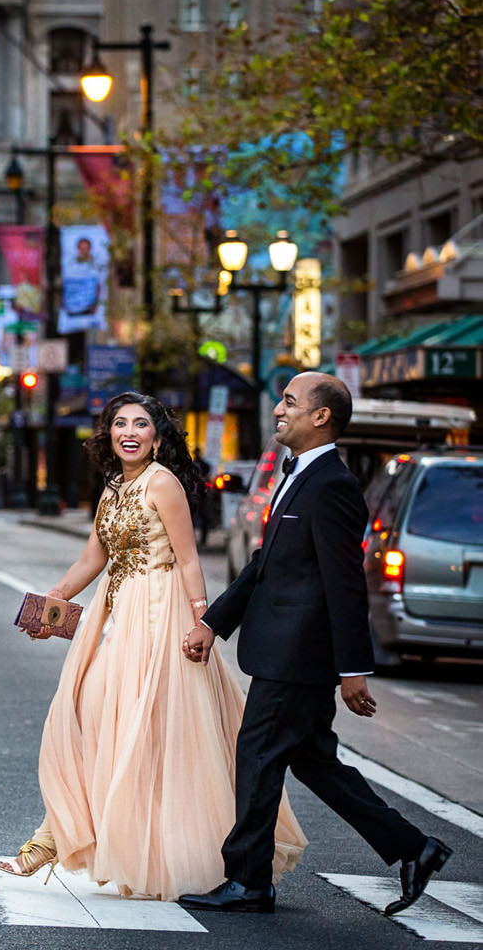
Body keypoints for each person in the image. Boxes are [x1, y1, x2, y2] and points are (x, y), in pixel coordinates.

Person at [0, 392, 307, 901]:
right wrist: (53, 600)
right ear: (109, 435)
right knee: (93, 712)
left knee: (147, 732)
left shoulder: (162, 484)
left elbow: (188, 561)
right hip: (119, 612)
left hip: (161, 614)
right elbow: (91, 559)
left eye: (141, 424)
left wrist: (200, 624)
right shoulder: (114, 487)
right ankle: (64, 829)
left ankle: (64, 837)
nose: (130, 432)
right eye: (121, 423)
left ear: (157, 437)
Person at [180, 373, 450, 916]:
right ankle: (413, 848)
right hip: (286, 651)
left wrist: (353, 669)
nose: (278, 410)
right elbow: (264, 566)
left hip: (297, 656)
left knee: (256, 757)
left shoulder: (333, 486)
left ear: (321, 416)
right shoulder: (300, 477)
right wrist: (213, 621)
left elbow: (344, 582)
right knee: (313, 761)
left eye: (288, 402)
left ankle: (250, 880)